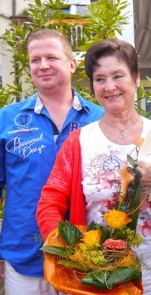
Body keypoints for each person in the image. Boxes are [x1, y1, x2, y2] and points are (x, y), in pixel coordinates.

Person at [36, 38, 151, 295]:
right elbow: (50, 202)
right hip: (97, 278)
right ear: (92, 87)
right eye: (100, 79)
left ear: (136, 78)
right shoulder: (79, 142)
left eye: (117, 76)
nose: (109, 86)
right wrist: (72, 253)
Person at [0, 29, 104, 295]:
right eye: (35, 60)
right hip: (24, 257)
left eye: (52, 57)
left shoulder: (101, 120)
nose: (43, 65)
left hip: (88, 257)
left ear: (72, 64)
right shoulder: (6, 121)